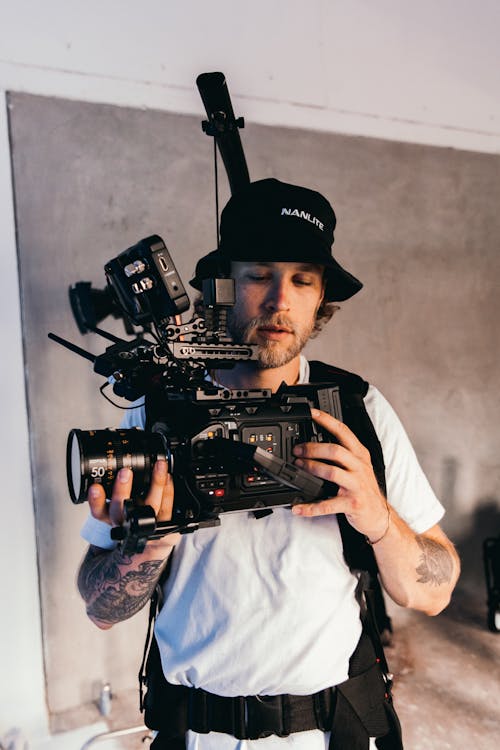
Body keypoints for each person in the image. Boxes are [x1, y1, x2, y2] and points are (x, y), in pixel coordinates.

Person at [77, 178, 460, 750]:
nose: (280, 300)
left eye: (302, 280)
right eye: (259, 275)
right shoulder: (158, 413)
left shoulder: (357, 410)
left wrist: (378, 518)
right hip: (194, 729)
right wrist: (145, 547)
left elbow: (433, 591)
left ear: (320, 299)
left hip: (332, 730)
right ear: (222, 287)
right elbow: (100, 608)